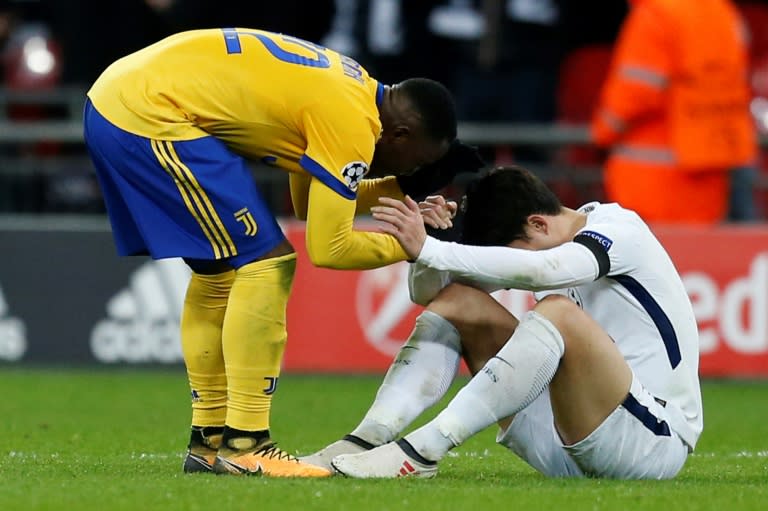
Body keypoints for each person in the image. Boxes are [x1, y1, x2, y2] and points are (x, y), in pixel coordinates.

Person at [83, 27, 483, 478]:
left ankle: (209, 443)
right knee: (268, 262)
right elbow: (330, 247)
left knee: (219, 276)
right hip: (149, 115)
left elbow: (309, 204)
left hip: (121, 99)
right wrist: (421, 246)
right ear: (400, 133)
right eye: (414, 163)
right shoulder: (354, 123)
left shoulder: (352, 90)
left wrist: (401, 189)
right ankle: (246, 444)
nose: (412, 171)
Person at [303, 165, 702, 480]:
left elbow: (545, 269)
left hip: (650, 443)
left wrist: (434, 250)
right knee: (459, 299)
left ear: (538, 224)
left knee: (558, 313)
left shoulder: (620, 231)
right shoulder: (545, 242)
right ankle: (363, 440)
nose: (517, 268)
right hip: (564, 443)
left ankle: (424, 449)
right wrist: (428, 245)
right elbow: (431, 295)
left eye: (516, 254)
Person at [591, 0, 757, 224]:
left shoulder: (656, 15)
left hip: (652, 181)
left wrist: (603, 132)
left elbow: (635, 92)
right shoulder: (722, 12)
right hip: (711, 174)